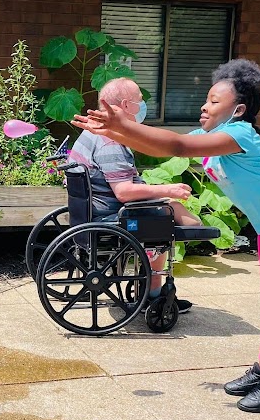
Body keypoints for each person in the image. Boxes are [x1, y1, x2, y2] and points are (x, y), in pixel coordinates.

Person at [73, 58, 260, 413]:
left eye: (214, 100)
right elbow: (166, 145)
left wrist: (121, 125)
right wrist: (113, 132)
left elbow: (177, 148)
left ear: (238, 109)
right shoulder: (209, 137)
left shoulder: (240, 133)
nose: (204, 105)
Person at [67, 78, 201, 312]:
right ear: (127, 105)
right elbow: (124, 192)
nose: (143, 104)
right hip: (111, 214)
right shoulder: (109, 141)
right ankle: (154, 294)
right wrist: (167, 190)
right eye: (140, 99)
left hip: (93, 210)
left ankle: (153, 278)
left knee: (173, 210)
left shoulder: (99, 132)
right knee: (169, 218)